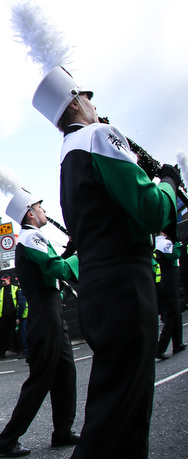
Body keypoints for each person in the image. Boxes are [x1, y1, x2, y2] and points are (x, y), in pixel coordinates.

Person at [33, 66, 178, 458]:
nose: (95, 105)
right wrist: (167, 181)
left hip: (101, 284)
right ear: (77, 102)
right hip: (125, 282)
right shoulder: (98, 136)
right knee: (116, 415)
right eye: (89, 97)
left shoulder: (68, 154)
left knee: (127, 414)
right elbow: (151, 210)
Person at [0, 189, 80, 457]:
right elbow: (58, 269)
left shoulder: (36, 237)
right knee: (41, 380)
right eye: (41, 207)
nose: (45, 212)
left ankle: (62, 430)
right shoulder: (30, 237)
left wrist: (72, 248)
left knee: (65, 373)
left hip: (52, 311)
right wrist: (83, 252)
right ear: (30, 213)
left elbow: (56, 263)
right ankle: (7, 440)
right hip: (43, 314)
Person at [154, 233, 186, 359]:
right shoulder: (163, 242)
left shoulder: (158, 243)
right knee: (173, 313)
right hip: (170, 277)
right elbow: (174, 255)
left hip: (167, 278)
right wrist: (178, 244)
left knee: (176, 310)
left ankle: (177, 343)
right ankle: (160, 348)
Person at [0, 275, 19, 359]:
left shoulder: (15, 289)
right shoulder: (0, 291)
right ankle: (2, 353)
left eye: (5, 280)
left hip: (13, 315)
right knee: (3, 336)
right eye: (2, 281)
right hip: (4, 316)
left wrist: (17, 315)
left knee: (15, 334)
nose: (4, 282)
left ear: (9, 280)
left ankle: (18, 350)